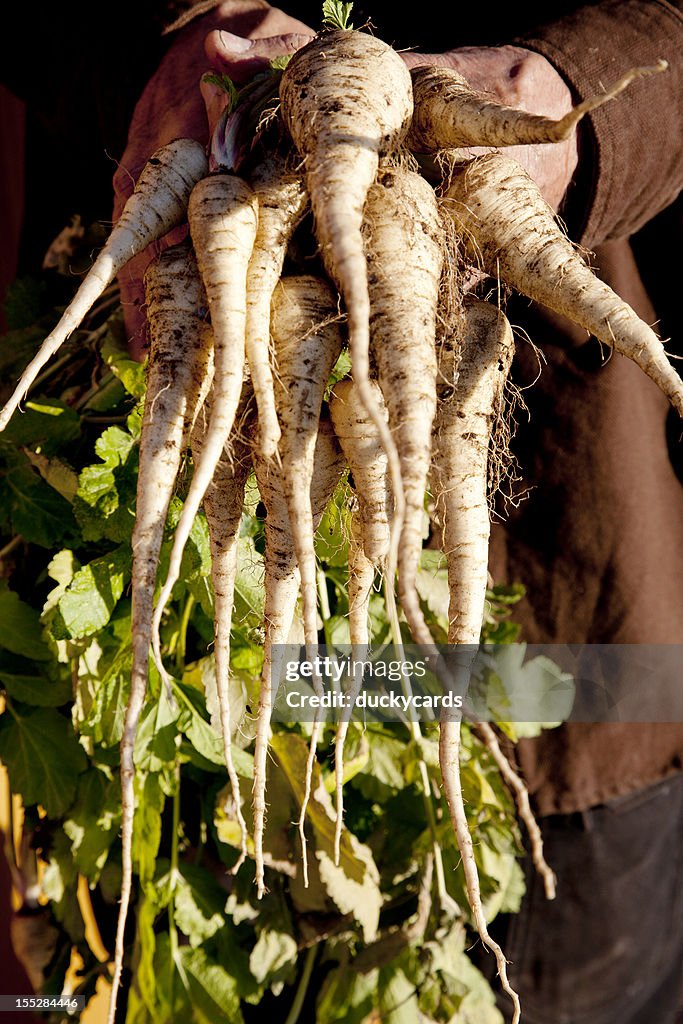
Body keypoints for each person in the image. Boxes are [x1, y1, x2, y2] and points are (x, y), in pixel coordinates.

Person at [3, 1, 683, 1020]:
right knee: (217, 856)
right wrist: (174, 53)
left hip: (567, 598)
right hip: (218, 651)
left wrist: (567, 100)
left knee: (563, 936)